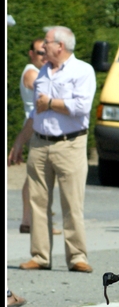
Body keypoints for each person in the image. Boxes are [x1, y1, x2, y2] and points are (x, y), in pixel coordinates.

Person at [8, 26, 96, 272]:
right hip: (40, 141)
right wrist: (20, 141)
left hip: (70, 143)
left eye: (46, 42)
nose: (43, 47)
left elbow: (81, 107)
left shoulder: (83, 70)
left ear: (60, 46)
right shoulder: (44, 71)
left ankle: (77, 256)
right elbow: (36, 111)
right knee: (37, 201)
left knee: (72, 202)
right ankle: (40, 255)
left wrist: (51, 103)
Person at [17, 38, 61, 235]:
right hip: (34, 125)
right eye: (39, 52)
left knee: (33, 178)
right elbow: (48, 92)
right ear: (31, 54)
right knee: (40, 178)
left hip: (35, 124)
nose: (43, 56)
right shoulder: (31, 72)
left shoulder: (40, 72)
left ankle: (29, 220)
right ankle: (36, 221)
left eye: (45, 51)